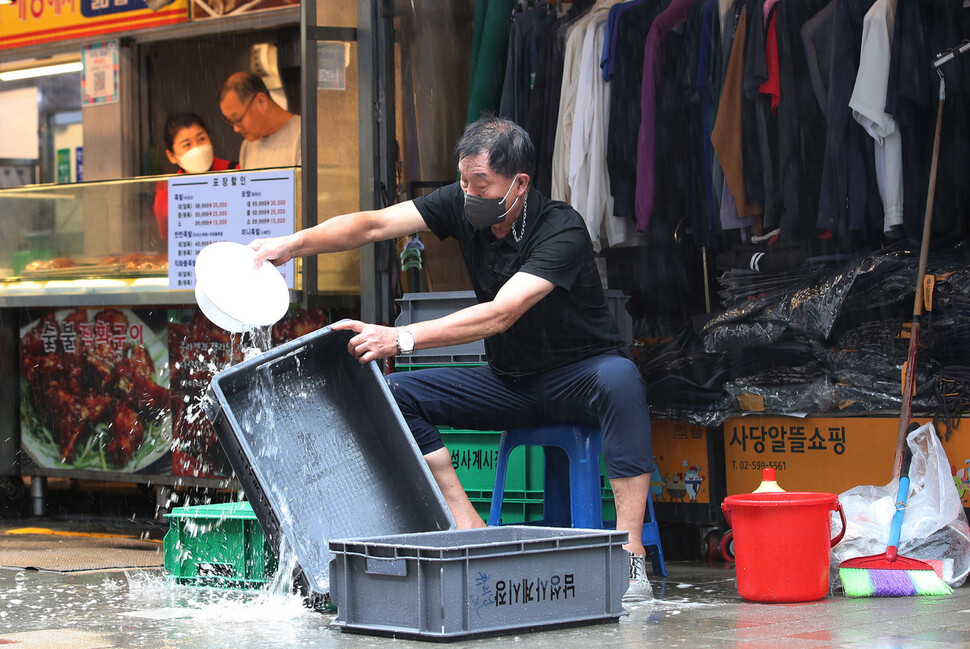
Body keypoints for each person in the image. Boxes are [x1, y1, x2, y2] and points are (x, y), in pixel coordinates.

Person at [248, 116, 654, 602]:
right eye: (462, 181)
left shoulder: (560, 227)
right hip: (511, 384)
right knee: (395, 394)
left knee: (622, 378)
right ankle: (467, 524)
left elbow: (501, 313)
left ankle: (631, 555)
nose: (467, 193)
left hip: (579, 380)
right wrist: (289, 245)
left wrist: (400, 338)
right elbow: (373, 224)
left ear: (519, 184)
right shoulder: (462, 204)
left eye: (479, 183)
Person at [153, 112, 239, 240]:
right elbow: (166, 236)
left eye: (201, 139)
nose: (197, 148)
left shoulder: (235, 171)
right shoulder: (167, 189)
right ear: (171, 155)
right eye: (187, 144)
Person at [219, 71, 301, 169]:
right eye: (231, 121)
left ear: (261, 101)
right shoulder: (247, 146)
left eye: (238, 119)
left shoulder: (302, 136)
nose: (236, 129)